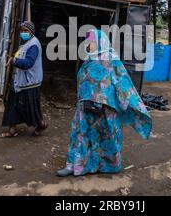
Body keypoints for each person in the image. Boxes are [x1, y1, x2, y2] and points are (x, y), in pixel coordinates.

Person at [56, 29, 152, 177]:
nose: (88, 45)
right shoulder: (89, 58)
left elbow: (122, 82)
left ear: (101, 42)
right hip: (85, 106)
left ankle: (110, 164)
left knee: (107, 136)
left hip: (106, 108)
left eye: (91, 42)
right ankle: (74, 165)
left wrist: (131, 103)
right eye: (87, 42)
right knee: (81, 134)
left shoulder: (111, 59)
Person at [0, 21, 47, 138]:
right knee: (12, 105)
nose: (23, 33)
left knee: (30, 108)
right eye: (22, 31)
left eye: (26, 31)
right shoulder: (26, 44)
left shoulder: (34, 45)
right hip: (20, 82)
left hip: (29, 83)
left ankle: (41, 124)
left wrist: (14, 61)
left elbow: (28, 63)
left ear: (31, 32)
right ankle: (12, 129)